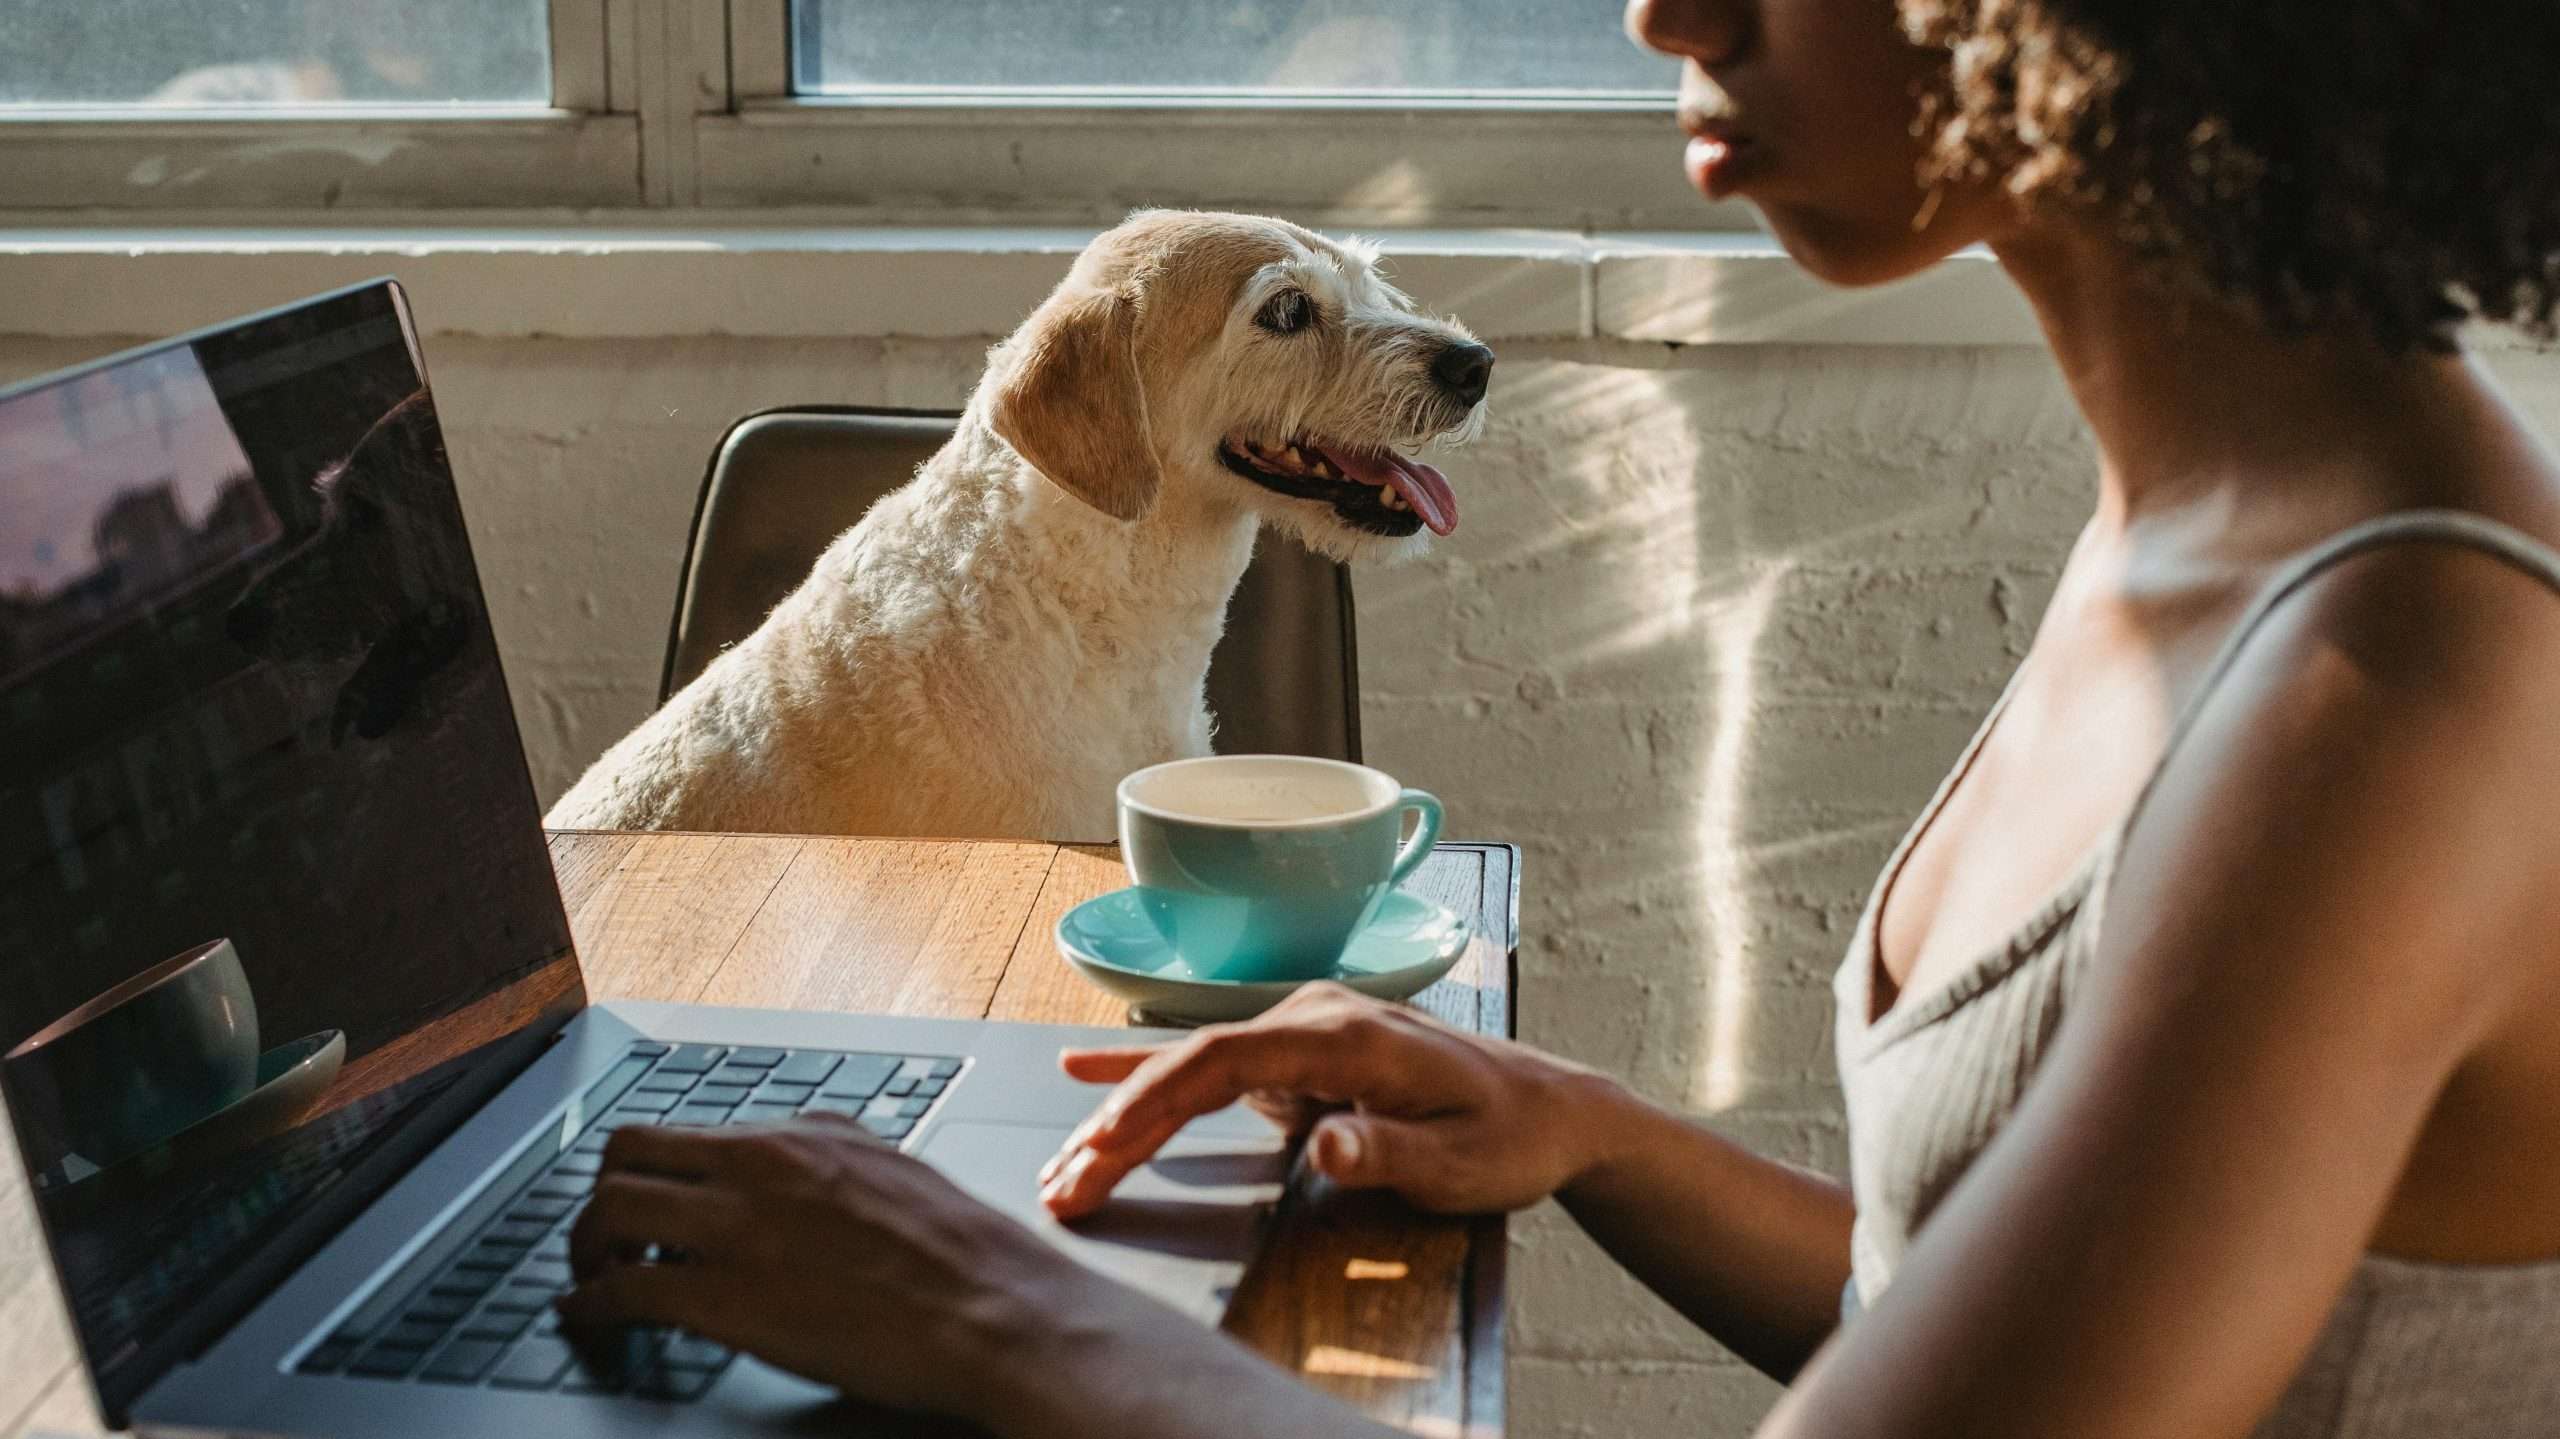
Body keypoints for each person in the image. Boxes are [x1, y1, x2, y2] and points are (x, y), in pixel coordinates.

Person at [560, 1, 2560, 1434]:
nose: (1662, 12)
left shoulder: (2391, 691)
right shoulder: (2219, 528)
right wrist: (1592, 1138)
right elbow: (1978, 1308)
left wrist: (1002, 1318)